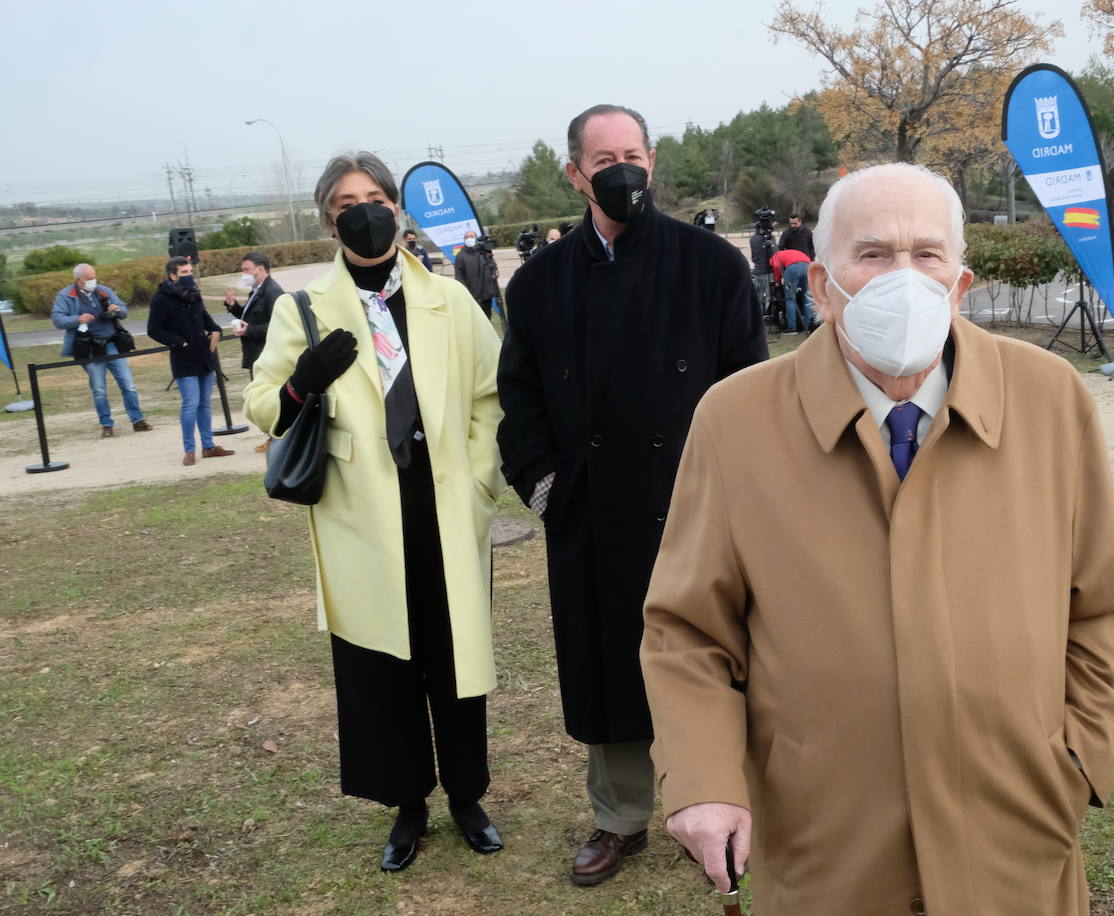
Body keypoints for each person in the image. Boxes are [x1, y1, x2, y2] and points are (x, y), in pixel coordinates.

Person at [641, 163, 1114, 915]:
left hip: (1018, 833)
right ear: (819, 284)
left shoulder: (1050, 399)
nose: (900, 278)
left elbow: (1102, 604)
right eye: (872, 254)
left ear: (960, 283)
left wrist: (1079, 758)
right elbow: (687, 631)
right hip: (824, 842)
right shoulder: (735, 419)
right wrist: (705, 779)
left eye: (927, 254)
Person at [496, 103, 766, 888]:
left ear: (653, 163)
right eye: (603, 157)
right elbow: (519, 402)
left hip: (698, 508)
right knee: (609, 665)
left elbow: (749, 389)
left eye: (634, 154)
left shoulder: (709, 264)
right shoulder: (541, 282)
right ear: (576, 174)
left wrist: (743, 496)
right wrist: (548, 489)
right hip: (592, 513)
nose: (622, 169)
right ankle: (619, 818)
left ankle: (727, 801)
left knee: (721, 655)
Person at [243, 151, 504, 874]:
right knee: (381, 667)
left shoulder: (449, 301)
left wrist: (481, 479)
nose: (364, 210)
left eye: (375, 196)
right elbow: (261, 405)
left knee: (452, 661)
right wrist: (300, 384)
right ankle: (407, 804)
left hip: (445, 510)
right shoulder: (303, 307)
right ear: (329, 217)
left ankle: (465, 795)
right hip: (362, 519)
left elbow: (491, 393)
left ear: (395, 206)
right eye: (346, 201)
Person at [146, 258, 234, 466]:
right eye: (184, 272)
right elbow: (154, 329)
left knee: (204, 404)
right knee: (190, 404)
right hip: (183, 358)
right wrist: (179, 343)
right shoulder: (161, 298)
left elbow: (204, 316)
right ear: (173, 275)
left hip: (204, 355)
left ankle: (209, 446)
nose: (189, 275)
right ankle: (189, 450)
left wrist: (216, 330)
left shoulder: (194, 293)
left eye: (190, 271)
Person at [50, 264, 152, 438]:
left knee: (128, 384)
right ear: (78, 280)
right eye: (89, 279)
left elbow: (124, 311)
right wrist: (77, 319)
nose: (92, 282)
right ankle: (106, 425)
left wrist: (116, 310)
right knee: (99, 389)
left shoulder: (103, 290)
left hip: (112, 344)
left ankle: (138, 420)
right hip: (88, 348)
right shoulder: (66, 295)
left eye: (94, 277)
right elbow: (58, 319)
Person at [224, 252, 285, 453]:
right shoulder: (256, 290)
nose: (244, 275)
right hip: (256, 353)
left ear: (260, 268)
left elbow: (278, 324)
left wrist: (249, 330)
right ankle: (273, 437)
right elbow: (250, 316)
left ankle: (276, 438)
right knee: (261, 396)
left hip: (266, 353)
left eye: (246, 270)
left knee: (266, 397)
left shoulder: (272, 291)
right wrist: (233, 307)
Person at [454, 229, 500, 321]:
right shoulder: (461, 255)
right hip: (472, 294)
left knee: (487, 318)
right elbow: (459, 276)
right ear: (463, 239)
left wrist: (495, 271)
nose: (469, 238)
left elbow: (493, 265)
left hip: (487, 293)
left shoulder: (484, 252)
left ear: (476, 238)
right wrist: (466, 292)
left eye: (471, 236)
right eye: (467, 237)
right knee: (476, 320)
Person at [768, 246, 816, 334]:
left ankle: (792, 327)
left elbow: (776, 266)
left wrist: (777, 281)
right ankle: (808, 325)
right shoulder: (790, 252)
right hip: (807, 265)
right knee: (806, 297)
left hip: (793, 268)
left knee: (790, 298)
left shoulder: (774, 257)